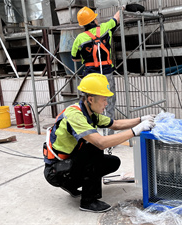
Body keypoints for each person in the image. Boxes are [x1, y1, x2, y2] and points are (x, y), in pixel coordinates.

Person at [43, 73, 156, 213]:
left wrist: (141, 119)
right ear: (90, 99)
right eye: (104, 99)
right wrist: (135, 131)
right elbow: (101, 142)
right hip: (56, 172)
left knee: (112, 162)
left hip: (68, 165)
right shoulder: (75, 115)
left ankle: (72, 185)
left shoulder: (90, 113)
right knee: (93, 147)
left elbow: (115, 124)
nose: (106, 103)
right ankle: (88, 201)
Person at [71, 6, 121, 136]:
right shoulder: (105, 28)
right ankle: (108, 137)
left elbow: (74, 58)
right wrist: (124, 7)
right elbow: (117, 18)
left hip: (90, 77)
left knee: (88, 105)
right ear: (95, 20)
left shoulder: (79, 38)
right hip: (106, 73)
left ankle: (89, 135)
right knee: (107, 103)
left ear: (82, 25)